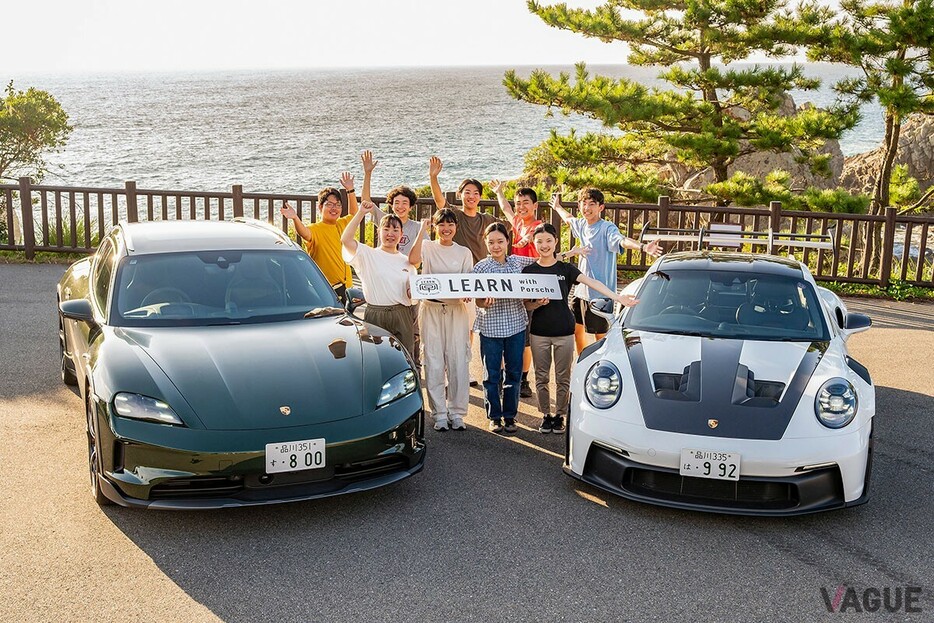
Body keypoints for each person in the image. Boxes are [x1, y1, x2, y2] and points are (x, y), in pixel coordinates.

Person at [522, 223, 638, 434]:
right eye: (540, 241)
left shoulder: (565, 269)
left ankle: (559, 416)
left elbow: (592, 283)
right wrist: (537, 303)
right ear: (534, 243)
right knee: (541, 376)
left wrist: (617, 296)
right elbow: (526, 304)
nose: (544, 245)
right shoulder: (529, 271)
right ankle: (545, 415)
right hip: (539, 330)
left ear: (556, 242)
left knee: (563, 375)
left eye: (549, 240)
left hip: (564, 330)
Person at [551, 188, 662, 353]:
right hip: (581, 291)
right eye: (583, 204)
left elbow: (622, 241)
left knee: (601, 335)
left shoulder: (607, 228)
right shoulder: (581, 224)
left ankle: (602, 365)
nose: (586, 208)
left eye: (592, 204)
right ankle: (583, 360)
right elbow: (569, 219)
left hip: (602, 294)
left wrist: (643, 247)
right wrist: (558, 207)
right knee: (577, 330)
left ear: (600, 207)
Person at [429, 155, 508, 387]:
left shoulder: (487, 219)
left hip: (479, 280)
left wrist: (501, 194)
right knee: (448, 328)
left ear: (480, 197)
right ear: (460, 194)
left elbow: (509, 225)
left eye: (475, 193)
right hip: (457, 278)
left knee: (469, 328)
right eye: (467, 192)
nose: (471, 196)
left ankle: (463, 368)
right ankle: (445, 372)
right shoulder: (455, 216)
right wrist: (433, 177)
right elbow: (438, 200)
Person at [361, 150, 429, 366]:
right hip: (388, 284)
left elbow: (422, 255)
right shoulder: (385, 220)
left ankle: (414, 365)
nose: (400, 207)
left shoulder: (418, 227)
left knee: (413, 330)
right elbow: (365, 202)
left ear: (410, 206)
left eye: (404, 203)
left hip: (409, 283)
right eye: (397, 203)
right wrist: (368, 174)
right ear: (391, 204)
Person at [340, 200, 426, 357]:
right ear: (378, 231)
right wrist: (360, 213)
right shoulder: (367, 254)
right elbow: (345, 240)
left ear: (401, 235)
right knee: (376, 358)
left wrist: (411, 292)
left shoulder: (406, 262)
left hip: (402, 314)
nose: (390, 234)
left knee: (405, 358)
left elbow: (412, 296)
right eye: (386, 229)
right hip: (375, 314)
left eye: (395, 230)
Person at [472, 222, 536, 434]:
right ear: (486, 244)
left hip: (516, 324)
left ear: (508, 242)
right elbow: (477, 300)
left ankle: (510, 416)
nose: (496, 246)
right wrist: (483, 302)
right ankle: (494, 416)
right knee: (491, 374)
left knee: (514, 373)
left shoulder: (518, 262)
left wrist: (571, 252)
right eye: (491, 242)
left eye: (500, 241)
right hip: (490, 326)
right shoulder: (480, 268)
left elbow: (542, 261)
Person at [418, 209, 474, 432]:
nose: (446, 229)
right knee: (433, 359)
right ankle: (439, 413)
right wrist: (422, 229)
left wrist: (467, 291)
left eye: (450, 224)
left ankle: (457, 412)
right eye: (441, 224)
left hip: (456, 309)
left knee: (458, 360)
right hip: (430, 308)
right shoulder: (427, 246)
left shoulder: (464, 252)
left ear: (456, 227)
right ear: (435, 227)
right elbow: (414, 261)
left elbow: (468, 281)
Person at [491, 179, 543, 398]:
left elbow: (531, 238)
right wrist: (499, 192)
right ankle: (505, 375)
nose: (521, 207)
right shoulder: (518, 222)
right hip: (513, 284)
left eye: (526, 203)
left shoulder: (538, 226)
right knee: (508, 330)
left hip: (531, 284)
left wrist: (523, 241)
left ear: (535, 205)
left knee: (526, 337)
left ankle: (523, 379)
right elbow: (505, 208)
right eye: (518, 203)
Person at [280, 172, 358, 303]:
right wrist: (295, 218)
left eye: (338, 205)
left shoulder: (342, 224)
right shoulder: (315, 229)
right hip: (327, 288)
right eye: (329, 204)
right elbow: (304, 233)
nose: (334, 208)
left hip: (346, 287)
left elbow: (355, 214)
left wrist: (350, 190)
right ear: (320, 207)